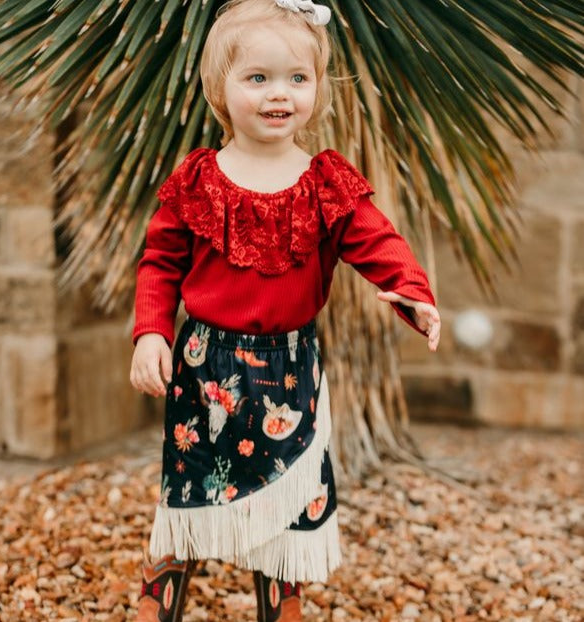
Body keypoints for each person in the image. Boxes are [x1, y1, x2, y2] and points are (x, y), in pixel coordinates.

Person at [129, 0, 441, 620]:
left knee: (287, 494)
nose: (280, 95)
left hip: (289, 371)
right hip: (205, 366)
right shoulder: (199, 179)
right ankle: (158, 597)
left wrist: (413, 290)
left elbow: (377, 240)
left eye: (298, 79)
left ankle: (282, 605)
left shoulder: (324, 182)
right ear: (221, 87)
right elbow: (159, 262)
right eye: (259, 78)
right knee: (190, 492)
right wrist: (149, 334)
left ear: (318, 88)